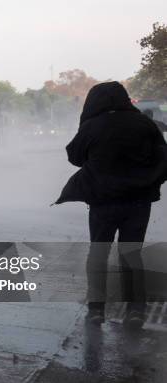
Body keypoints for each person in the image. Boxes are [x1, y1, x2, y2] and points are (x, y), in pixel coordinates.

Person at [55, 82, 167, 329]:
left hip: (103, 201)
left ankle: (96, 310)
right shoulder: (144, 124)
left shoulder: (93, 125)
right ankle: (136, 310)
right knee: (131, 253)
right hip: (138, 202)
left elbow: (74, 156)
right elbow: (163, 156)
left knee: (98, 253)